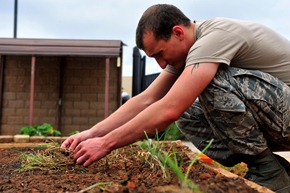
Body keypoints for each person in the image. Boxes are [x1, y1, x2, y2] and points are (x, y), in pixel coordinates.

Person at [61, 4, 290, 192]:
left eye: (160, 54)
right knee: (188, 113)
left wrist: (106, 144)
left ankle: (268, 173)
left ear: (178, 33)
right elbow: (147, 100)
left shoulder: (214, 39)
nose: (161, 64)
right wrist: (92, 133)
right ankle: (270, 168)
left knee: (206, 85)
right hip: (277, 118)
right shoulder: (190, 51)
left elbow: (169, 109)